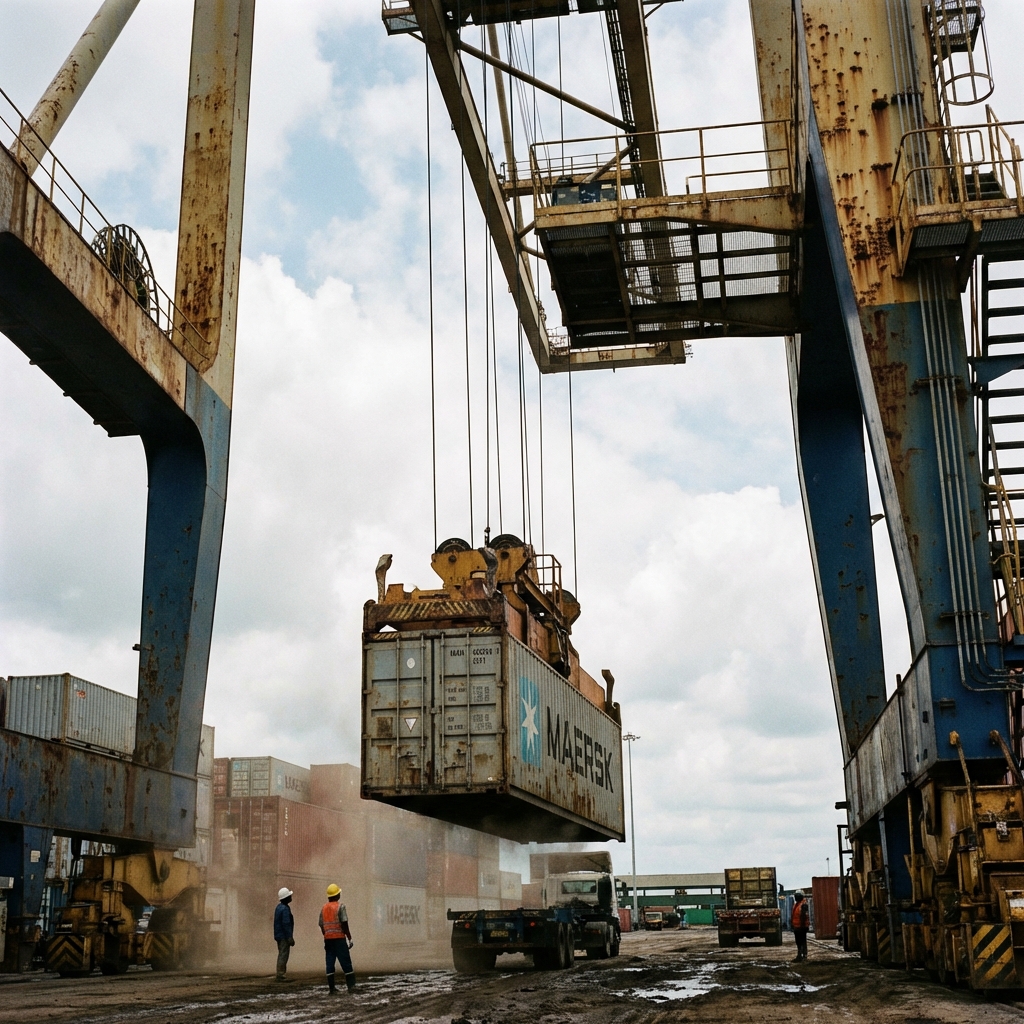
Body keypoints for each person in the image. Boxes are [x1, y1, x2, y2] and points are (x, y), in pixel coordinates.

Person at [319, 883, 355, 994]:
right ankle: (351, 987)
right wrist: (349, 937)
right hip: (339, 939)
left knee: (330, 963)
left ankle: (332, 989)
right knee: (346, 963)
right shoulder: (341, 906)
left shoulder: (323, 908)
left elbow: (321, 924)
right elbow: (344, 923)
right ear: (336, 895)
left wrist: (326, 934)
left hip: (328, 940)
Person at [274, 887, 295, 981]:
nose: (291, 897)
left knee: (281, 954)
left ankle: (281, 973)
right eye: (289, 895)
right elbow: (286, 923)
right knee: (283, 954)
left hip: (279, 935)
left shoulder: (279, 907)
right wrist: (289, 937)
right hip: (284, 936)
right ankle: (281, 975)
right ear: (286, 898)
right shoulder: (285, 909)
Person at [792, 889, 810, 961]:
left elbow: (803, 916)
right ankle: (800, 955)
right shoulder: (796, 905)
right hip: (797, 927)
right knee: (798, 942)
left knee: (802, 942)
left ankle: (803, 955)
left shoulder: (803, 905)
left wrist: (803, 926)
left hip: (801, 927)